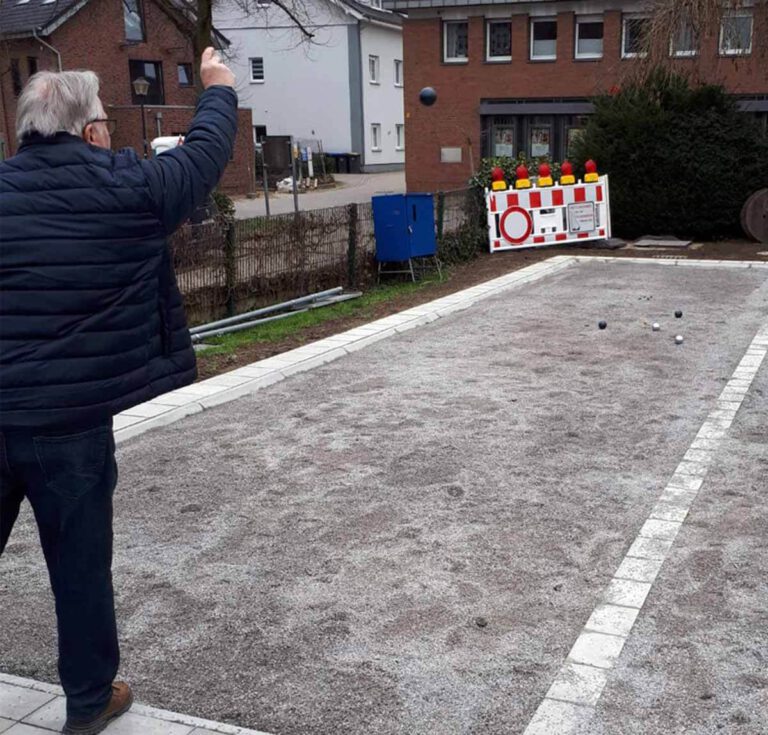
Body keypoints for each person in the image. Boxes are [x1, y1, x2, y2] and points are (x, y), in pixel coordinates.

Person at [0, 48, 236, 735]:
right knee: (77, 566)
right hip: (68, 426)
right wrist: (217, 87)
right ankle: (88, 700)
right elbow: (202, 156)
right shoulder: (128, 190)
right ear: (93, 132)